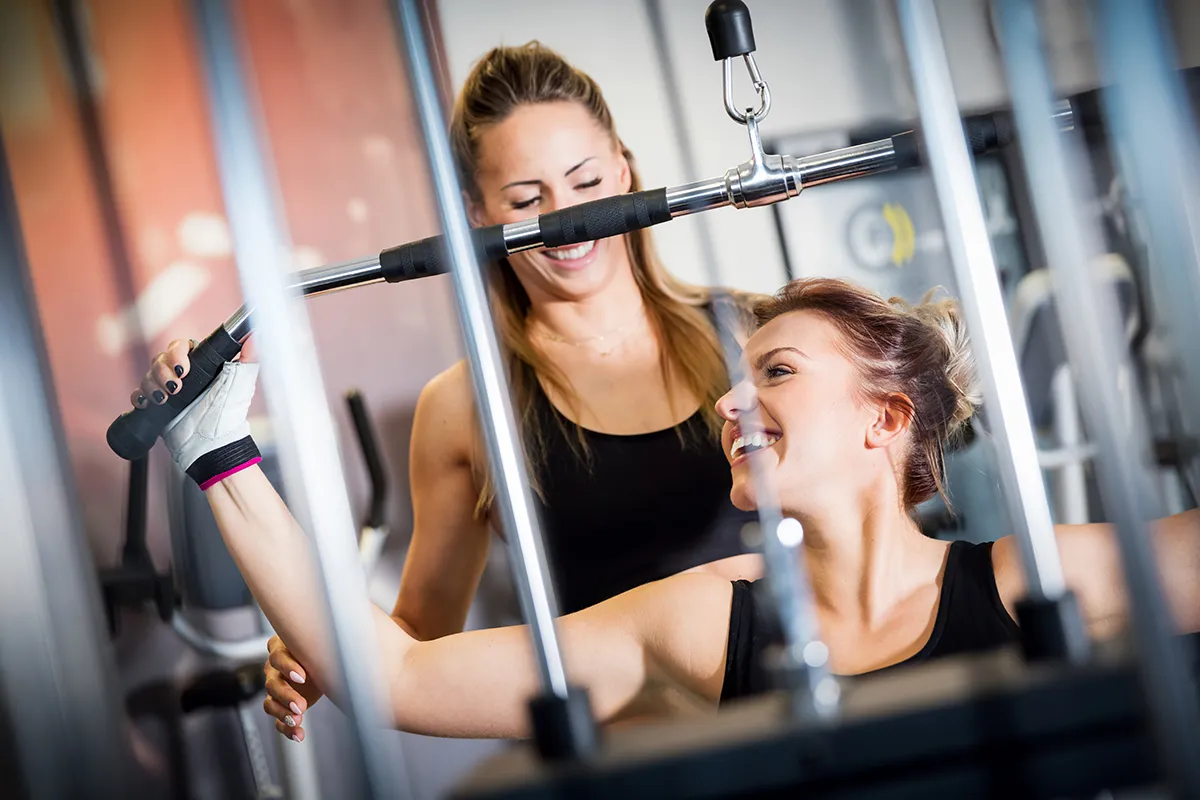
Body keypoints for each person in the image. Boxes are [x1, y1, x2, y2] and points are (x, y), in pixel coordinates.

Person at [138, 276, 1200, 740]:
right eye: (736, 376)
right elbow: (399, 673)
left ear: (885, 420)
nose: (734, 398)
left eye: (775, 371)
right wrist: (220, 451)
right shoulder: (707, 619)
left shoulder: (1033, 582)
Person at [131, 42, 764, 739]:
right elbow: (417, 638)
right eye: (528, 199)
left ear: (624, 170)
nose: (567, 218)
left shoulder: (756, 339)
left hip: (791, 710)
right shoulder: (465, 406)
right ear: (479, 215)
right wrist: (326, 653)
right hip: (628, 751)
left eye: (586, 182)